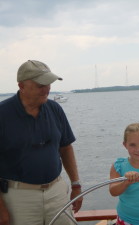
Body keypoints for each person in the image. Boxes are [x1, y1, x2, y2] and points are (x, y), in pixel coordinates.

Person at [0, 60, 83, 225]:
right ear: (21, 86)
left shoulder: (55, 109)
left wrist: (76, 184)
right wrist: (1, 209)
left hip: (57, 192)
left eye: (49, 83)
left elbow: (66, 147)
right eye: (41, 85)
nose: (47, 89)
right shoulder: (2, 114)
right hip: (18, 198)